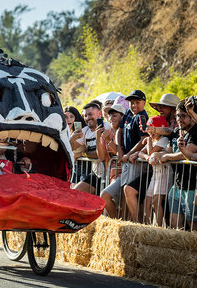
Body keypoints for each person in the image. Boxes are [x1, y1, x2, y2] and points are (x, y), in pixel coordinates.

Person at [101, 90, 149, 218]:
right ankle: (120, 222)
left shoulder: (142, 117)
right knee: (111, 193)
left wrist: (129, 154)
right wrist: (121, 151)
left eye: (137, 102)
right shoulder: (128, 112)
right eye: (132, 103)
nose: (134, 105)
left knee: (128, 193)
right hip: (126, 161)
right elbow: (119, 131)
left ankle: (134, 223)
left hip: (135, 162)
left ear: (144, 103)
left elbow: (144, 139)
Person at [161, 100, 197, 231]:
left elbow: (188, 152)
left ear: (192, 117)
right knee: (174, 226)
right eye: (178, 116)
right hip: (177, 184)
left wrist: (167, 157)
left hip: (191, 185)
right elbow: (169, 149)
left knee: (193, 225)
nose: (179, 119)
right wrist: (159, 154)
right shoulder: (176, 131)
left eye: (183, 116)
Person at [132, 115, 172, 225]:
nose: (150, 133)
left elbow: (150, 153)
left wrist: (148, 140)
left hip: (164, 172)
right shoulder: (153, 139)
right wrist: (146, 156)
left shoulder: (163, 139)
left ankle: (158, 228)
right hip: (156, 173)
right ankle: (147, 226)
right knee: (147, 201)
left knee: (156, 201)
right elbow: (140, 153)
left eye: (153, 129)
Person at [70, 102, 112, 194]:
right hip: (96, 173)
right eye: (85, 116)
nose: (87, 118)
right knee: (74, 193)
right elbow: (70, 148)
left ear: (99, 114)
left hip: (108, 173)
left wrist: (83, 153)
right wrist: (72, 138)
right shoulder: (85, 131)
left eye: (90, 114)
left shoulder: (106, 127)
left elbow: (101, 155)